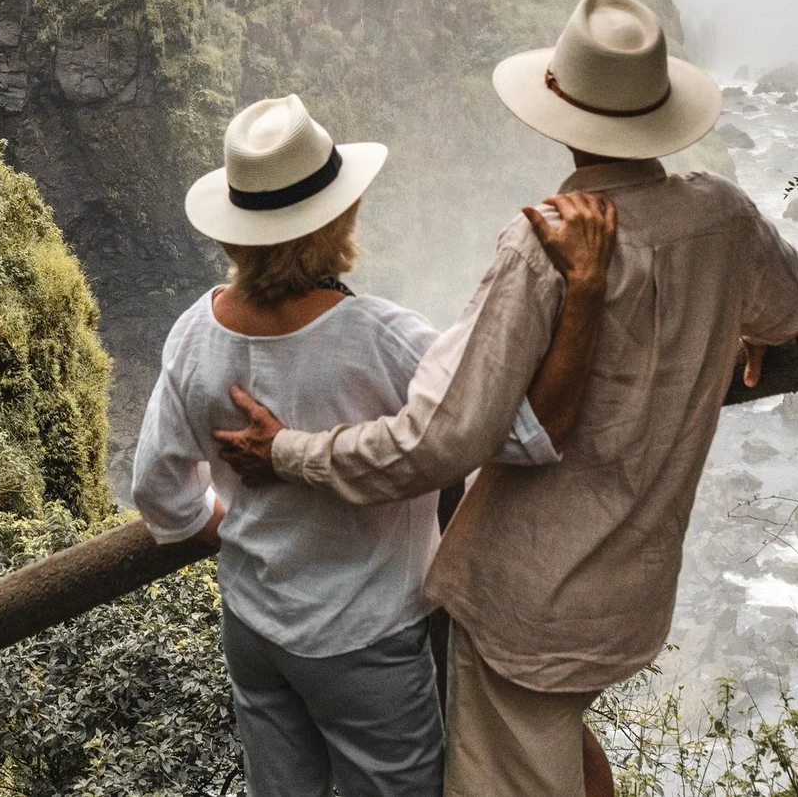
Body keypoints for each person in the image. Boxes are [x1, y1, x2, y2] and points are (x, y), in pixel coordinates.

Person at [216, 0, 798, 797]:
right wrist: (749, 330)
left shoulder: (542, 243)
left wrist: (286, 451)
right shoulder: (725, 217)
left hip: (529, 599)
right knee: (559, 752)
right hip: (634, 586)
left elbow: (436, 441)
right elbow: (795, 303)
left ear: (560, 108)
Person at [132, 94, 617, 797]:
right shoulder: (379, 338)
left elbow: (159, 494)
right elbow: (521, 434)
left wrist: (239, 533)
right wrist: (587, 293)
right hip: (364, 637)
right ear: (335, 219)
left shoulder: (193, 334)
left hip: (252, 624)